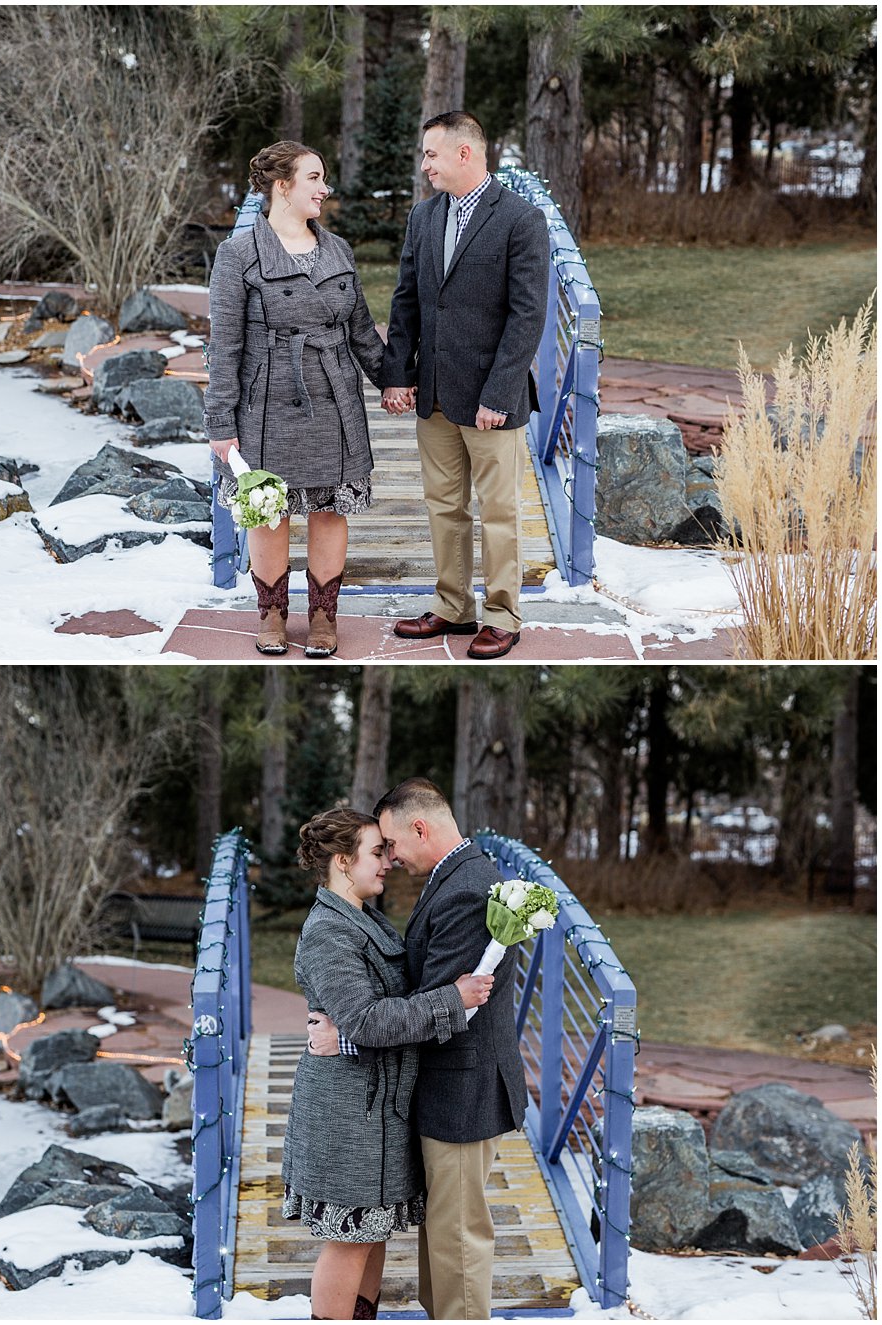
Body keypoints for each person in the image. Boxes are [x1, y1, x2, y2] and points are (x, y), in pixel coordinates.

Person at [308, 779, 527, 1320]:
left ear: (420, 828)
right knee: (437, 1241)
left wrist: (350, 1032)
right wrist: (359, 1023)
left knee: (456, 1244)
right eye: (378, 851)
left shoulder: (466, 889)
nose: (392, 860)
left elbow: (438, 1003)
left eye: (392, 845)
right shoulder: (451, 878)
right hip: (438, 1090)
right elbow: (419, 994)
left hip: (462, 1091)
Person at [204, 141, 391, 658]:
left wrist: (395, 382)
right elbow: (225, 345)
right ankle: (271, 616)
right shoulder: (239, 254)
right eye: (313, 178)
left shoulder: (338, 250)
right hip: (266, 402)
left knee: (331, 510)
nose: (324, 188)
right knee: (270, 510)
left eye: (323, 178)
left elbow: (362, 334)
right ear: (281, 186)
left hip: (335, 398)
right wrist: (220, 420)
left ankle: (324, 619)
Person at [380, 111, 551, 660]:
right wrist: (397, 374)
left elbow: (527, 317)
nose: (424, 164)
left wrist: (498, 395)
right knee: (443, 505)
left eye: (431, 153)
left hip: (490, 399)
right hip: (432, 390)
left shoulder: (522, 220)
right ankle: (453, 606)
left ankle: (503, 615)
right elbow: (406, 299)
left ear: (463, 153)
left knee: (499, 511)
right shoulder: (424, 217)